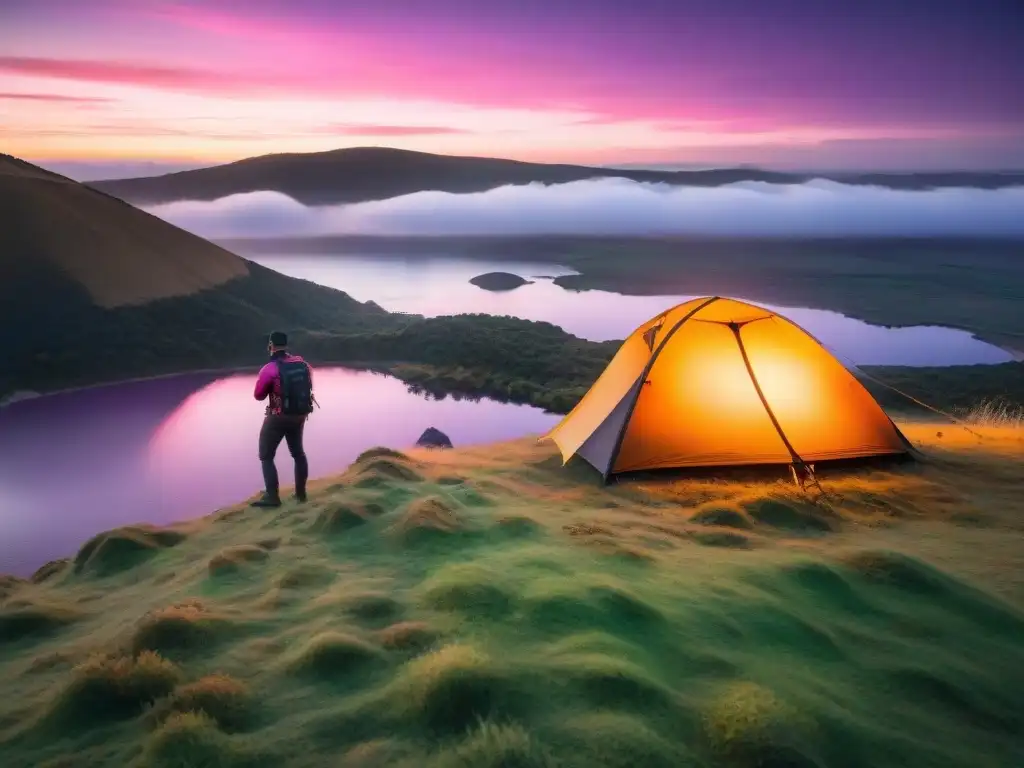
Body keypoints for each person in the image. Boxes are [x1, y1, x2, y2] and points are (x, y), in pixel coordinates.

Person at [251, 331, 315, 507]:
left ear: (271, 345)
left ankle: (273, 497)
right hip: (299, 416)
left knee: (266, 455)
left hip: (278, 417)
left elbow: (258, 395)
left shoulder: (270, 369)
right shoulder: (303, 364)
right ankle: (301, 495)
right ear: (286, 345)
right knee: (298, 453)